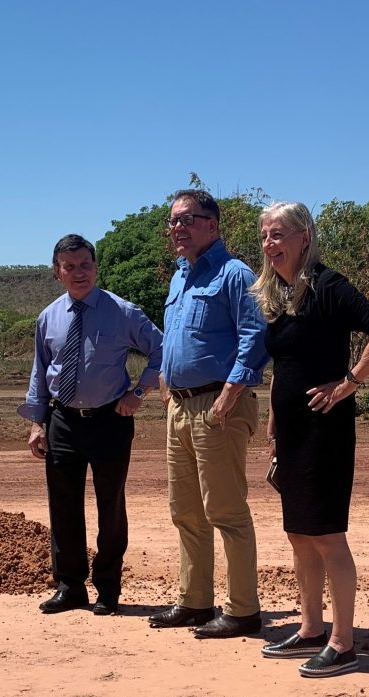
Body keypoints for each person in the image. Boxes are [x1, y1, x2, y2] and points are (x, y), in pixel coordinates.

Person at [251, 202, 369, 677]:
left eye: (279, 235)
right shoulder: (277, 295)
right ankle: (312, 628)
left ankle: (343, 641)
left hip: (326, 431)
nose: (270, 244)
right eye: (265, 237)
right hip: (292, 431)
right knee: (298, 534)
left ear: (305, 238)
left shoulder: (329, 286)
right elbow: (283, 369)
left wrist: (349, 382)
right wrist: (274, 426)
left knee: (327, 536)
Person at [18, 234, 163, 616]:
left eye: (85, 264)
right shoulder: (48, 317)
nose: (78, 273)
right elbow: (40, 370)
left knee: (110, 505)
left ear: (95, 267)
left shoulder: (123, 312)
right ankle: (70, 586)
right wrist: (37, 424)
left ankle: (108, 589)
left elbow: (162, 350)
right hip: (62, 420)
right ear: (57, 272)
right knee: (63, 506)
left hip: (110, 421)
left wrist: (139, 392)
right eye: (69, 266)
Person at [148, 189, 270, 639]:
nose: (177, 228)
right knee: (185, 511)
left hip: (219, 406)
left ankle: (243, 611)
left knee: (225, 510)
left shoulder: (235, 274)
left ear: (212, 225)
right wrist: (164, 379)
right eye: (173, 221)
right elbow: (173, 338)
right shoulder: (180, 276)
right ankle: (195, 601)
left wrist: (230, 393)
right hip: (179, 407)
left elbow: (255, 337)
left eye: (187, 220)